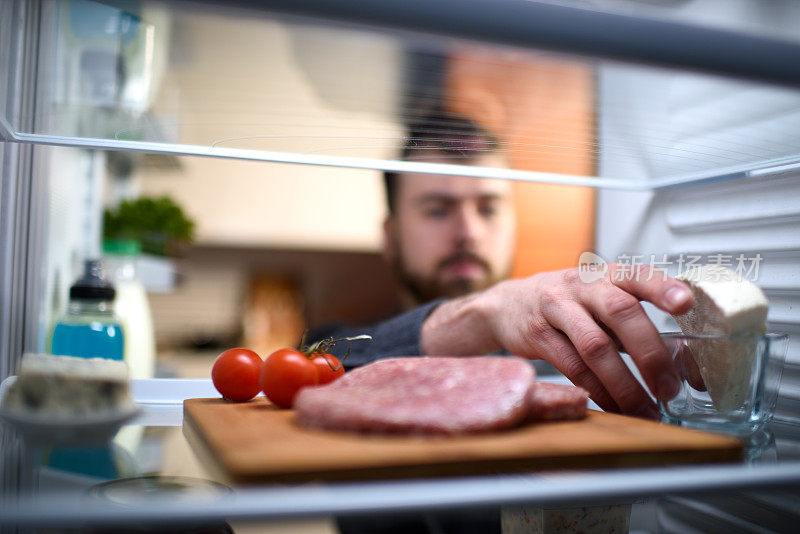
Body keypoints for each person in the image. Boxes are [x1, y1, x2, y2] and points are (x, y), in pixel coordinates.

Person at [312, 112, 691, 421]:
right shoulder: (338, 347)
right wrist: (482, 315)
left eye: (488, 208)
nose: (470, 232)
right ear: (391, 237)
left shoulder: (571, 356)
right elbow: (302, 371)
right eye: (438, 210)